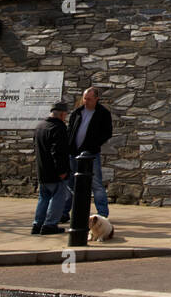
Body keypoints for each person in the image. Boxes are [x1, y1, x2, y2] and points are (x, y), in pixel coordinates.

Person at [64, 86, 112, 220]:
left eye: (89, 99)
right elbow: (70, 131)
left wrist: (93, 145)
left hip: (91, 154)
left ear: (97, 99)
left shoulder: (103, 113)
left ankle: (102, 214)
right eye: (84, 98)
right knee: (70, 183)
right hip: (73, 153)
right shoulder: (77, 112)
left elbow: (107, 133)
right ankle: (65, 212)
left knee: (96, 184)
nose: (86, 101)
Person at [32, 102, 71, 235]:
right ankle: (50, 225)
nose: (65, 118)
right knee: (57, 198)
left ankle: (37, 224)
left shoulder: (40, 127)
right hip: (55, 172)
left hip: (42, 170)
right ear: (61, 114)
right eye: (65, 115)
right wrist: (62, 171)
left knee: (43, 198)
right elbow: (58, 152)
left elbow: (36, 149)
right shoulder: (58, 128)